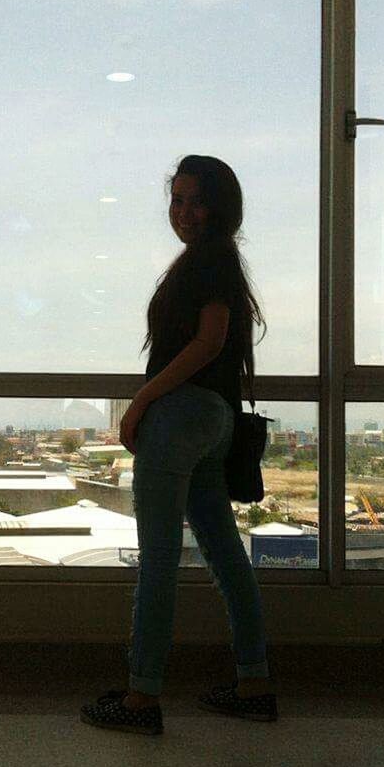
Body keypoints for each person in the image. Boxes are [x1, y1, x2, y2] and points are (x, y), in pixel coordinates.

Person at [80, 155, 277, 736]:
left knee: (160, 559)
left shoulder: (208, 260)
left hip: (181, 419)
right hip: (214, 423)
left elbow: (208, 342)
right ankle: (254, 682)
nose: (186, 213)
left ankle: (142, 698)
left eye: (197, 201)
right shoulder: (220, 262)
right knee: (223, 553)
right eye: (178, 201)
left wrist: (142, 401)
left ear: (221, 207)